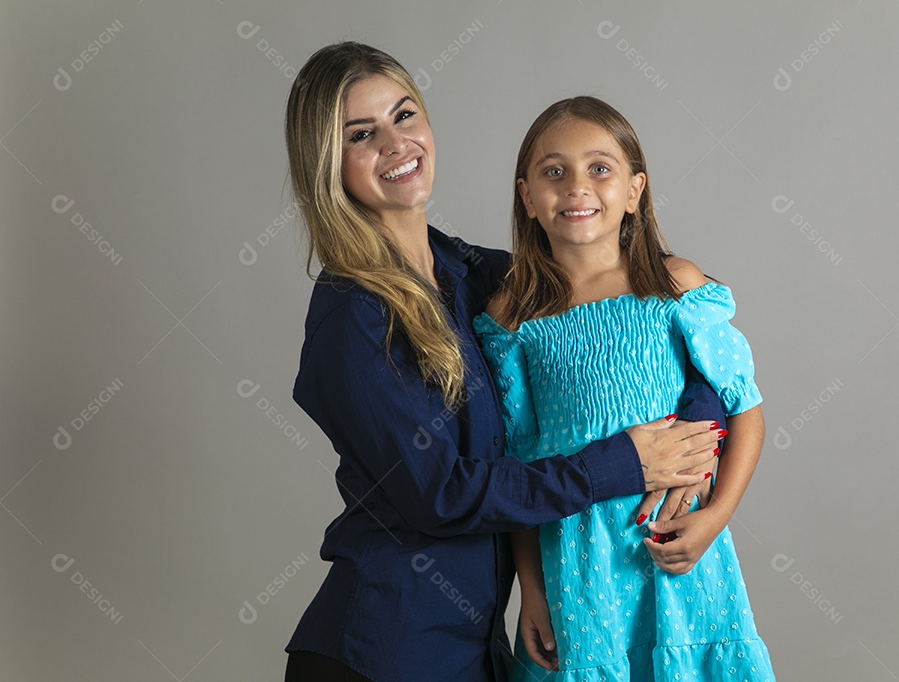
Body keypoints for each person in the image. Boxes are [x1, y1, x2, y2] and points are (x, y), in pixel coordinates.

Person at [281, 42, 728, 682]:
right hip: (383, 653)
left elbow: (651, 306)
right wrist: (627, 462)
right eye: (361, 134)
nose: (396, 143)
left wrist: (696, 438)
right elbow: (442, 494)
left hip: (474, 648)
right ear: (327, 162)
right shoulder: (351, 317)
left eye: (404, 116)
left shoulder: (473, 275)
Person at [474, 96, 776, 680]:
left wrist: (715, 518)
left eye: (600, 169)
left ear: (635, 190)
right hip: (577, 556)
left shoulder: (674, 286)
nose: (576, 187)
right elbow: (518, 463)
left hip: (674, 547)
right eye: (553, 172)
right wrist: (531, 592)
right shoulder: (514, 319)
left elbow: (746, 411)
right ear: (527, 197)